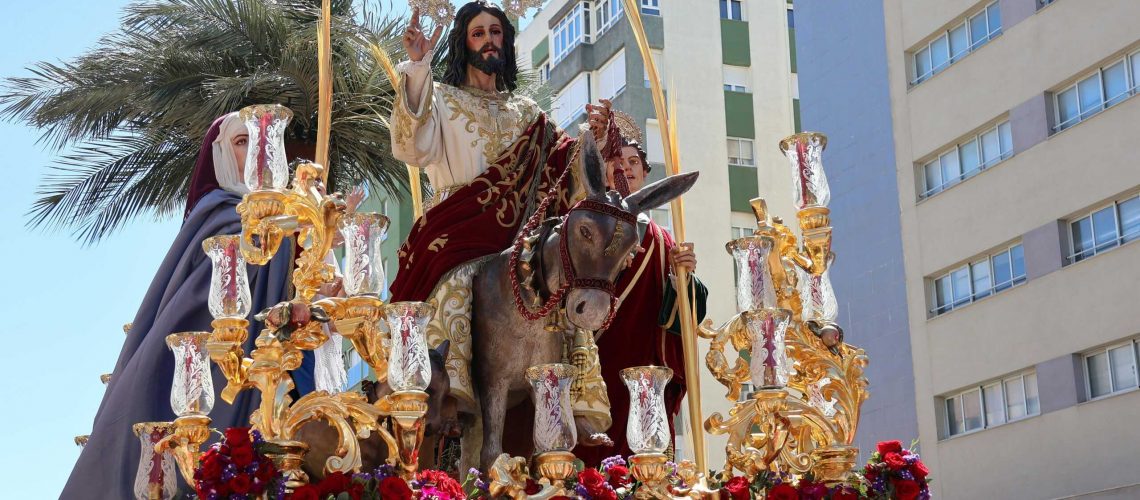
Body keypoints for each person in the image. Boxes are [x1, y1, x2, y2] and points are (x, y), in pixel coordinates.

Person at [388, 1, 614, 415]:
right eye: (479, 33)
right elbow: (411, 145)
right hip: (461, 233)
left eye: (496, 33)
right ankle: (447, 387)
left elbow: (565, 176)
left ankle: (571, 395)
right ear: (464, 43)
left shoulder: (527, 113)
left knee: (558, 294)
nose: (489, 40)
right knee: (456, 291)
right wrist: (418, 69)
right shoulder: (443, 100)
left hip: (521, 241)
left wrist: (594, 139)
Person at [61, 113, 299, 498]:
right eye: (241, 142)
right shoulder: (220, 213)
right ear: (221, 155)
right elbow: (197, 298)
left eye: (260, 142)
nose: (254, 150)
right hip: (220, 364)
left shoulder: (296, 219)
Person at [574, 114, 708, 466]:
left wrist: (685, 277)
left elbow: (684, 317)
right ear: (602, 173)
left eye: (633, 162)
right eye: (616, 161)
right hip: (595, 364)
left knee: (643, 467)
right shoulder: (585, 224)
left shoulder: (664, 241)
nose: (626, 168)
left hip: (643, 374)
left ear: (645, 174)